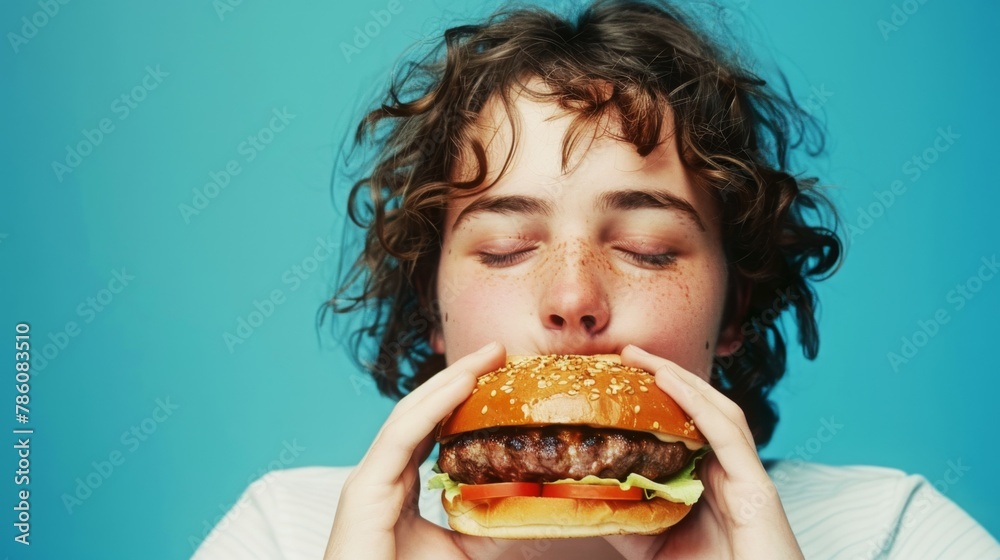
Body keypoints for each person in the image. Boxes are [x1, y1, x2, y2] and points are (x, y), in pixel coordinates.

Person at [193, 1, 1000, 558]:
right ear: (429, 308)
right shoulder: (287, 533)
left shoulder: (893, 532)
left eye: (648, 248)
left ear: (735, 308)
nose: (574, 299)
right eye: (507, 246)